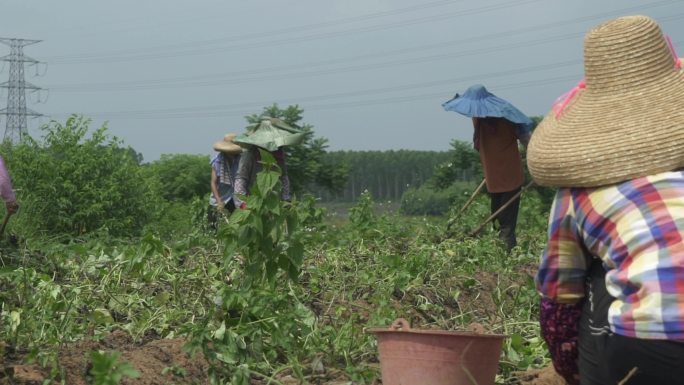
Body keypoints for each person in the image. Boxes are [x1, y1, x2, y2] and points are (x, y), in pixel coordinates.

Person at [528, 15, 684, 385]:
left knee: (596, 275)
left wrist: (570, 369)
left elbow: (559, 298)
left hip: (652, 346)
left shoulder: (576, 193)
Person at [443, 84, 532, 251]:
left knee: (506, 222)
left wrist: (537, 158)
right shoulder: (478, 119)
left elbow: (526, 137)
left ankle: (507, 252)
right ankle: (497, 250)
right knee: (496, 218)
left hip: (510, 174)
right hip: (493, 175)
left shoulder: (507, 116)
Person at [232, 117, 305, 208]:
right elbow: (241, 179)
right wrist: (242, 204)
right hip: (253, 202)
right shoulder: (249, 155)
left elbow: (284, 177)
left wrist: (286, 199)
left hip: (274, 202)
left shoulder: (279, 154)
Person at [208, 133, 242, 228]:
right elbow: (213, 182)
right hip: (220, 195)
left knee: (240, 223)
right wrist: (219, 201)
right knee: (212, 224)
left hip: (236, 195)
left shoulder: (241, 160)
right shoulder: (218, 161)